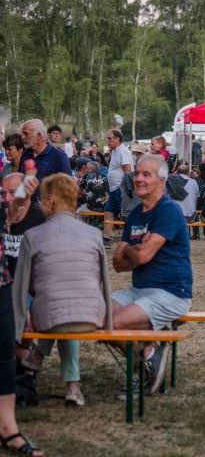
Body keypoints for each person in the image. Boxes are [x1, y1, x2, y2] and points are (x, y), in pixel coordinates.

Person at [13, 174, 112, 407]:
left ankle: (37, 355)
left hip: (49, 317)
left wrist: (21, 320)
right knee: (66, 306)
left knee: (58, 308)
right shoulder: (94, 234)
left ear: (51, 201)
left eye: (41, 199)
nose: (38, 204)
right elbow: (102, 280)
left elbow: (21, 287)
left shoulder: (33, 235)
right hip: (90, 316)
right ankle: (73, 387)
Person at [112, 155, 192, 394]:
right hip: (138, 291)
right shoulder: (136, 214)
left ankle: (146, 359)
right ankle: (148, 353)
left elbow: (142, 257)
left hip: (171, 292)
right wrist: (132, 250)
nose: (138, 179)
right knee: (95, 315)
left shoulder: (169, 210)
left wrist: (130, 250)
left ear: (162, 180)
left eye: (146, 174)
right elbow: (118, 263)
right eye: (137, 173)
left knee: (113, 324)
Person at [0, 176, 44, 455]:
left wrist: (18, 198)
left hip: (1, 280)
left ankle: (7, 428)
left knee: (4, 350)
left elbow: (11, 214)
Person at [103, 129, 133, 247]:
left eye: (109, 138)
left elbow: (127, 171)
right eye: (107, 138)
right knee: (108, 211)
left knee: (125, 214)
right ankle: (107, 238)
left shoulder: (123, 151)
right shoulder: (115, 150)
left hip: (121, 189)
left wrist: (127, 189)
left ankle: (130, 239)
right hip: (113, 189)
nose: (107, 141)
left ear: (117, 139)